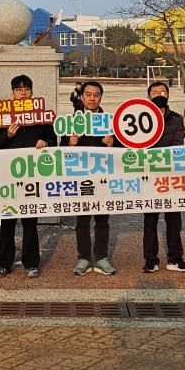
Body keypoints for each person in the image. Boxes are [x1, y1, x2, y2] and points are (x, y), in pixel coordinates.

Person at [0, 75, 57, 279]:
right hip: (8, 177)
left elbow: (53, 140)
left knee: (30, 222)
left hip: (32, 176)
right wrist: (7, 135)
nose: (23, 92)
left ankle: (31, 263)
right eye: (18, 89)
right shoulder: (2, 117)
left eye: (26, 89)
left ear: (32, 92)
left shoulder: (42, 116)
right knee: (7, 222)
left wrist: (45, 142)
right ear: (12, 93)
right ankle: (3, 263)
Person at [61, 81, 117, 276]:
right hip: (81, 177)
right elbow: (59, 149)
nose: (92, 98)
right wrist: (70, 143)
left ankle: (101, 257)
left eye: (96, 95)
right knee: (82, 220)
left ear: (101, 97)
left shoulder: (110, 122)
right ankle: (84, 258)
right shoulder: (71, 121)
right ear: (82, 97)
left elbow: (122, 151)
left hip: (103, 177)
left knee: (102, 220)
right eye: (88, 94)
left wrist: (112, 144)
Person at [142, 81, 185, 273]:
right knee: (150, 220)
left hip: (171, 177)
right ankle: (150, 259)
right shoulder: (139, 117)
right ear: (148, 97)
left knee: (174, 219)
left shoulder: (176, 119)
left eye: (163, 92)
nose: (159, 95)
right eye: (155, 92)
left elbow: (179, 144)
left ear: (168, 96)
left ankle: (175, 258)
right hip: (148, 176)